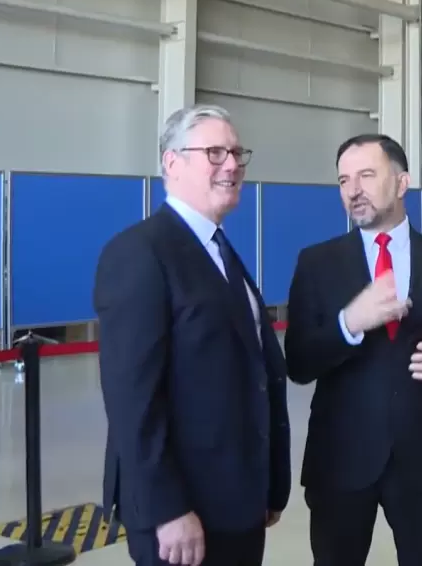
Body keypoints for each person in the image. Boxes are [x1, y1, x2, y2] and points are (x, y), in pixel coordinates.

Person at [94, 105, 291, 566]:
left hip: (236, 499)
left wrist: (267, 484)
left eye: (237, 153)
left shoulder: (220, 251)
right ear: (172, 162)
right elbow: (132, 399)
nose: (232, 165)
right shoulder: (139, 253)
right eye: (215, 152)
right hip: (182, 514)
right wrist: (167, 509)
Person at [284, 134, 422, 566]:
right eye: (343, 180)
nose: (353, 190)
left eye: (366, 175)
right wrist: (348, 324)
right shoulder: (316, 263)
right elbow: (298, 362)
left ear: (401, 182)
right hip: (340, 461)